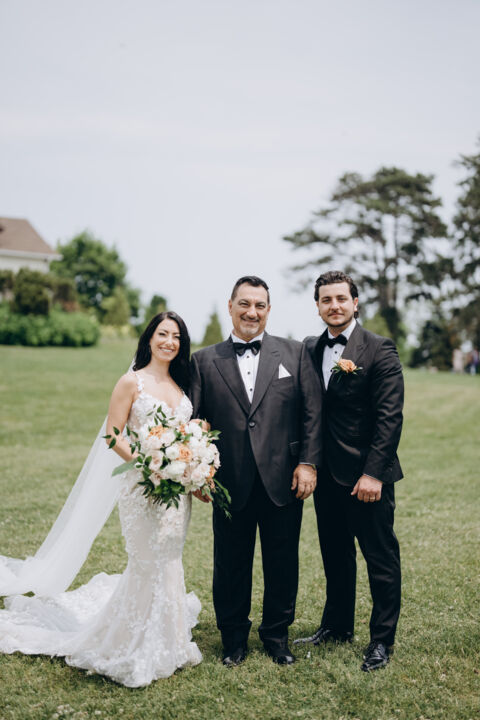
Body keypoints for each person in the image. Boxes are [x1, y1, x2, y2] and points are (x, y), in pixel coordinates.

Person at [0, 311, 202, 687]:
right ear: (149, 338)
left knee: (170, 559)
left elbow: (185, 435)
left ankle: (170, 641)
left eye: (176, 337)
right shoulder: (131, 382)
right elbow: (113, 434)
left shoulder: (181, 385)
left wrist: (189, 465)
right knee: (146, 561)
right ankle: (132, 643)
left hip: (175, 493)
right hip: (141, 487)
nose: (169, 342)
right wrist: (146, 463)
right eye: (162, 334)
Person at [190, 275, 322, 667]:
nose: (252, 312)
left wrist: (307, 463)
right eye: (244, 304)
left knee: (282, 563)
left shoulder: (295, 353)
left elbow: (312, 412)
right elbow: (194, 420)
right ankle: (233, 640)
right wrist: (199, 471)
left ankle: (277, 636)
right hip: (228, 482)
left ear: (268, 309)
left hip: (284, 479)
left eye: (260, 305)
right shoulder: (203, 360)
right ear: (231, 306)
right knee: (230, 564)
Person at [296, 271, 403, 672]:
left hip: (365, 477)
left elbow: (390, 418)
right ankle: (337, 626)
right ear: (318, 306)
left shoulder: (379, 348)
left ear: (355, 303)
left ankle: (382, 640)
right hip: (326, 477)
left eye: (341, 298)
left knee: (380, 558)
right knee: (336, 556)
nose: (334, 306)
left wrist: (373, 473)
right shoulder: (310, 348)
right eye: (326, 300)